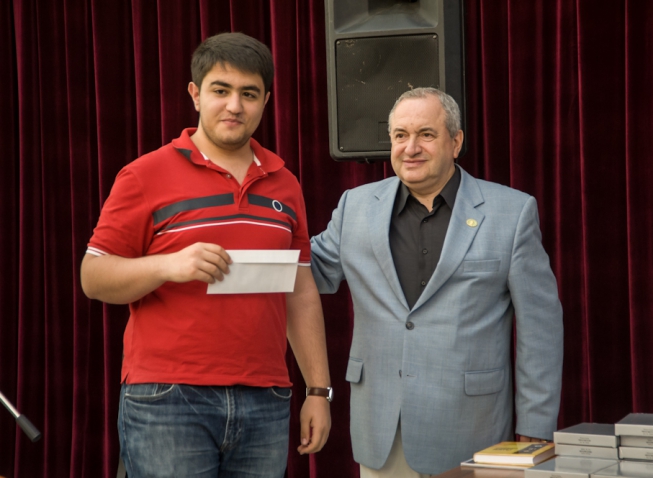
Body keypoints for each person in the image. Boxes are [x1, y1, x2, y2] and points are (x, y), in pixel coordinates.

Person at [80, 32, 332, 478]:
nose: (234, 105)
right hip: (169, 398)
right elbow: (93, 276)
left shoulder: (285, 183)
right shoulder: (144, 174)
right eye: (221, 90)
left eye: (248, 94)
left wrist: (318, 390)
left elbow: (300, 290)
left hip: (267, 397)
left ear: (265, 101)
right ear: (195, 95)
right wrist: (168, 265)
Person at [310, 87, 563, 477]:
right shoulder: (355, 207)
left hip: (473, 433)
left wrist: (535, 427)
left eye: (425, 134)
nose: (410, 148)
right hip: (383, 432)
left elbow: (540, 328)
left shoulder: (512, 213)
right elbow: (308, 273)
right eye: (400, 135)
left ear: (455, 142)